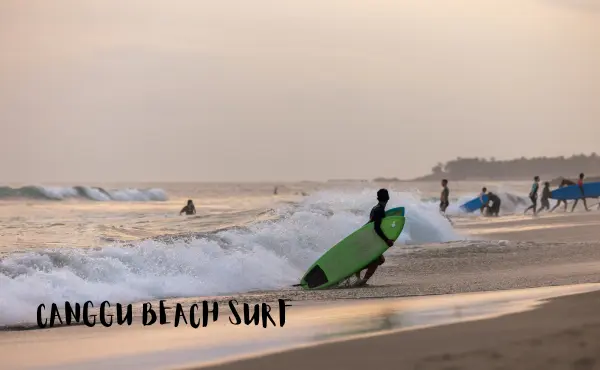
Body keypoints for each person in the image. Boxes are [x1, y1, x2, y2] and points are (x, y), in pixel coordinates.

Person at [354, 189, 395, 287]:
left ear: (377, 198)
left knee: (380, 260)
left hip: (368, 235)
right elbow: (376, 228)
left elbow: (372, 224)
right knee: (377, 260)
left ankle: (357, 271)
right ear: (388, 198)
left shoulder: (375, 208)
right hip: (371, 237)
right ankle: (363, 281)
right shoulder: (379, 210)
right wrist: (386, 240)